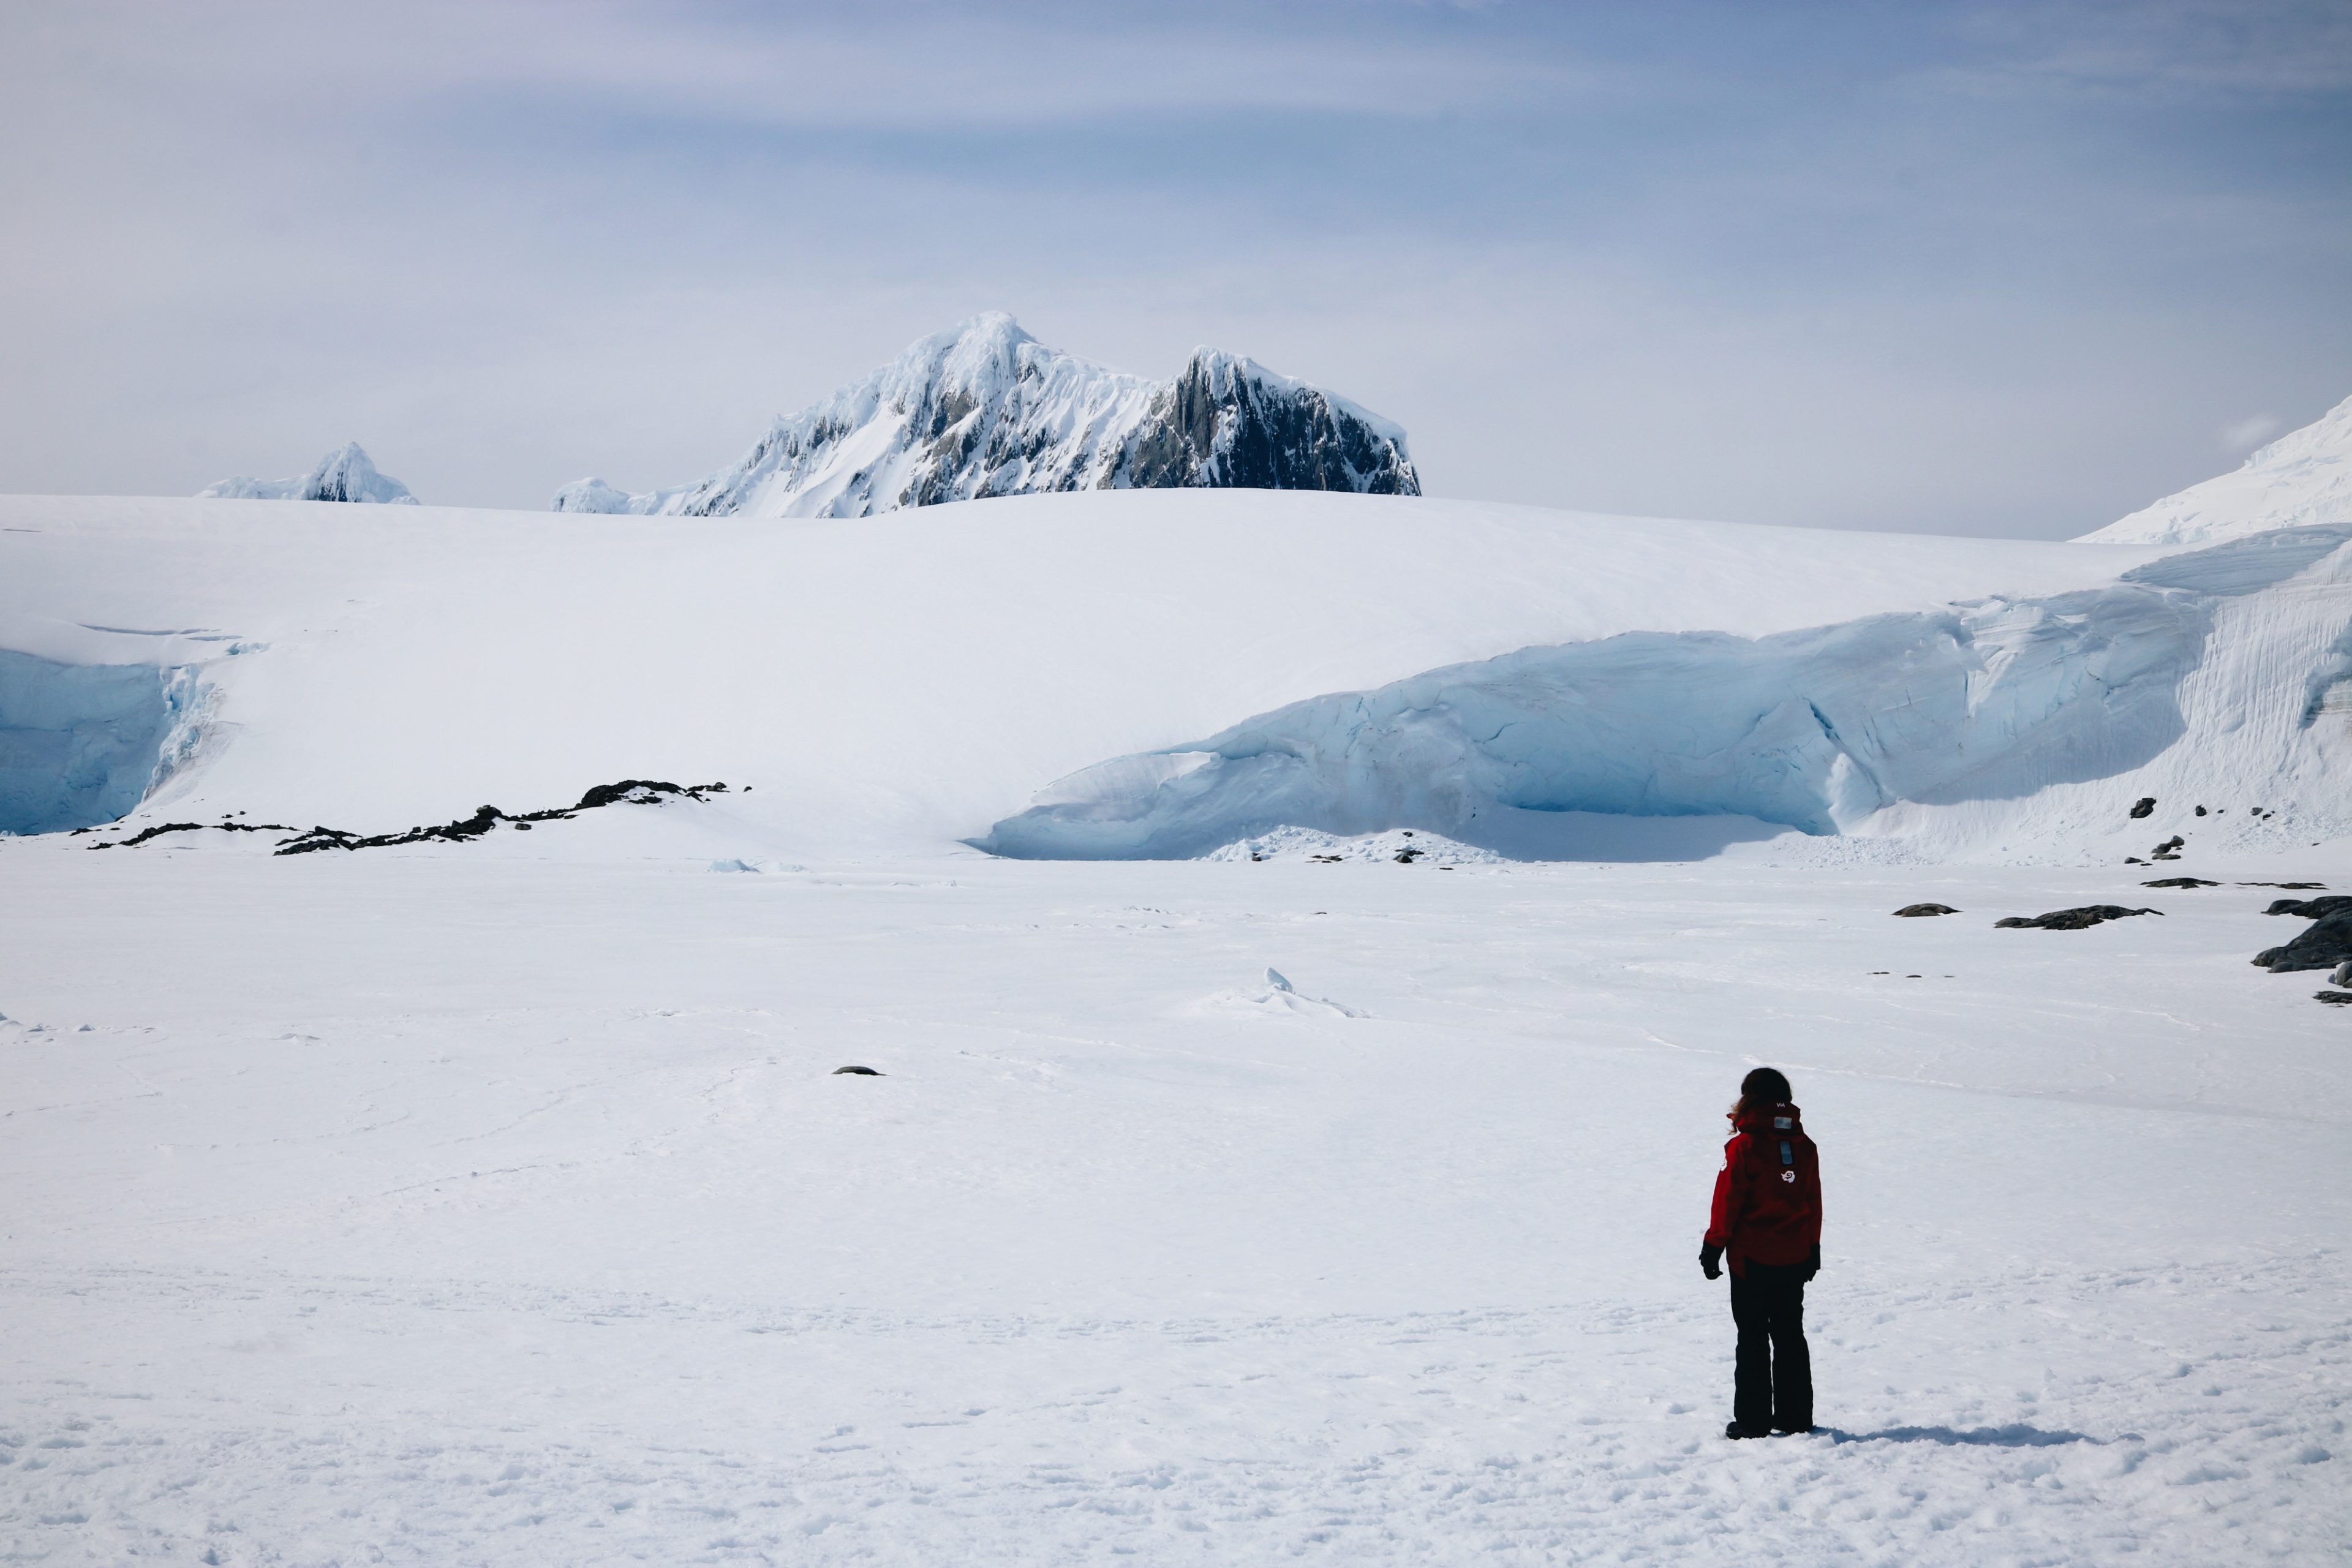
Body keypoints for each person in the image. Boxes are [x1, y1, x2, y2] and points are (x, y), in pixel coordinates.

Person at [1699, 1066, 1821, 1439]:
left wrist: (1713, 1246)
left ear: (1749, 1098)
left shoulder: (1744, 1146)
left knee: (1752, 1338)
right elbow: (1813, 1201)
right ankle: (1795, 1417)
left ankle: (1753, 1422)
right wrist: (1812, 1247)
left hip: (1751, 1260)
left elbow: (1728, 1201)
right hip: (1794, 1256)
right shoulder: (1805, 1145)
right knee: (1790, 1335)